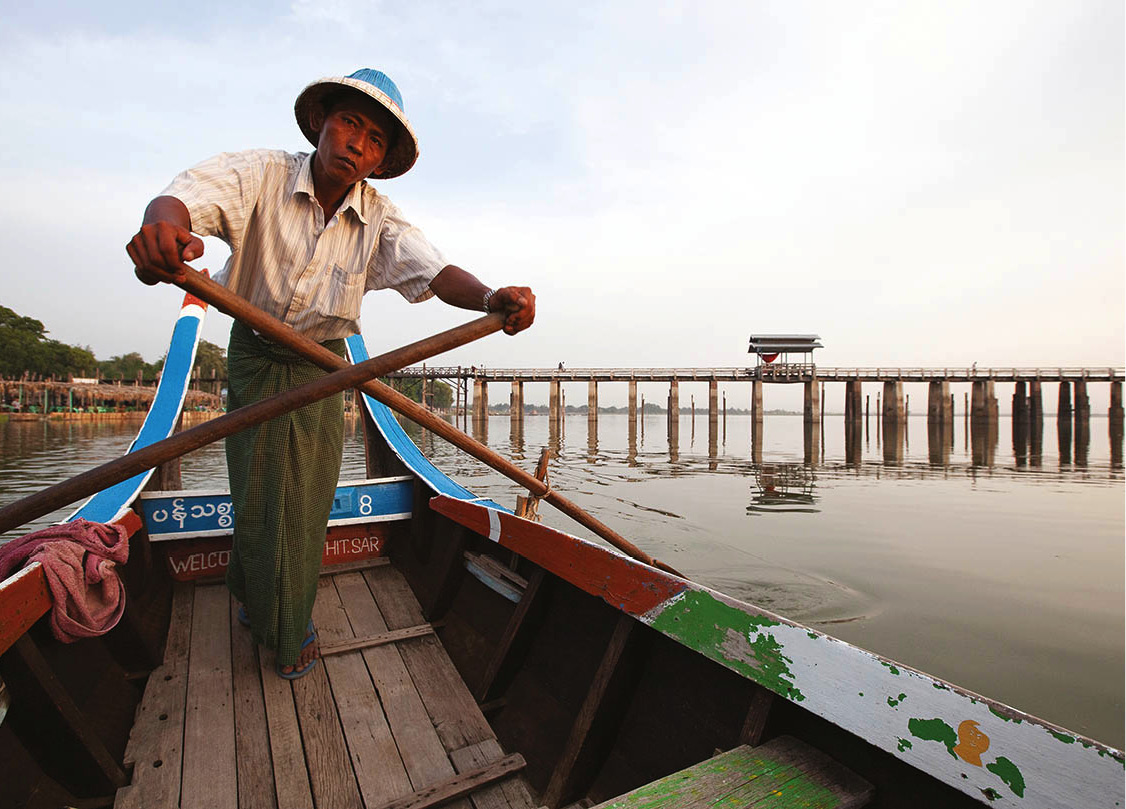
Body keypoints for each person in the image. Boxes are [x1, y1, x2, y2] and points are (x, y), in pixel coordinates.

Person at [126, 68, 535, 679]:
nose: (356, 144)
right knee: (262, 490)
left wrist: (488, 298)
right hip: (258, 354)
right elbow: (188, 195)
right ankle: (285, 631)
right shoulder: (263, 173)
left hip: (325, 366)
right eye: (350, 123)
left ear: (379, 159)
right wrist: (164, 227)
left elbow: (436, 273)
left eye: (374, 140)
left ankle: (255, 593)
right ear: (321, 122)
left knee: (306, 499)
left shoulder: (380, 219)